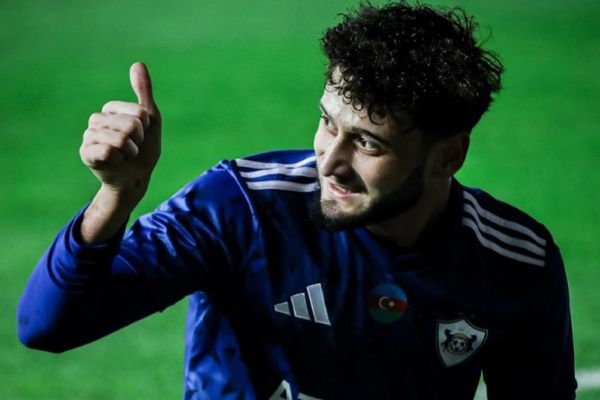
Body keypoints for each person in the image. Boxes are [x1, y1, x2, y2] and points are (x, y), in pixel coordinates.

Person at [18, 1, 576, 399]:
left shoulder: (515, 261)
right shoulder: (242, 206)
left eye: (367, 143)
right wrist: (117, 195)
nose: (329, 161)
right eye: (327, 122)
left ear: (447, 157)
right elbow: (47, 327)